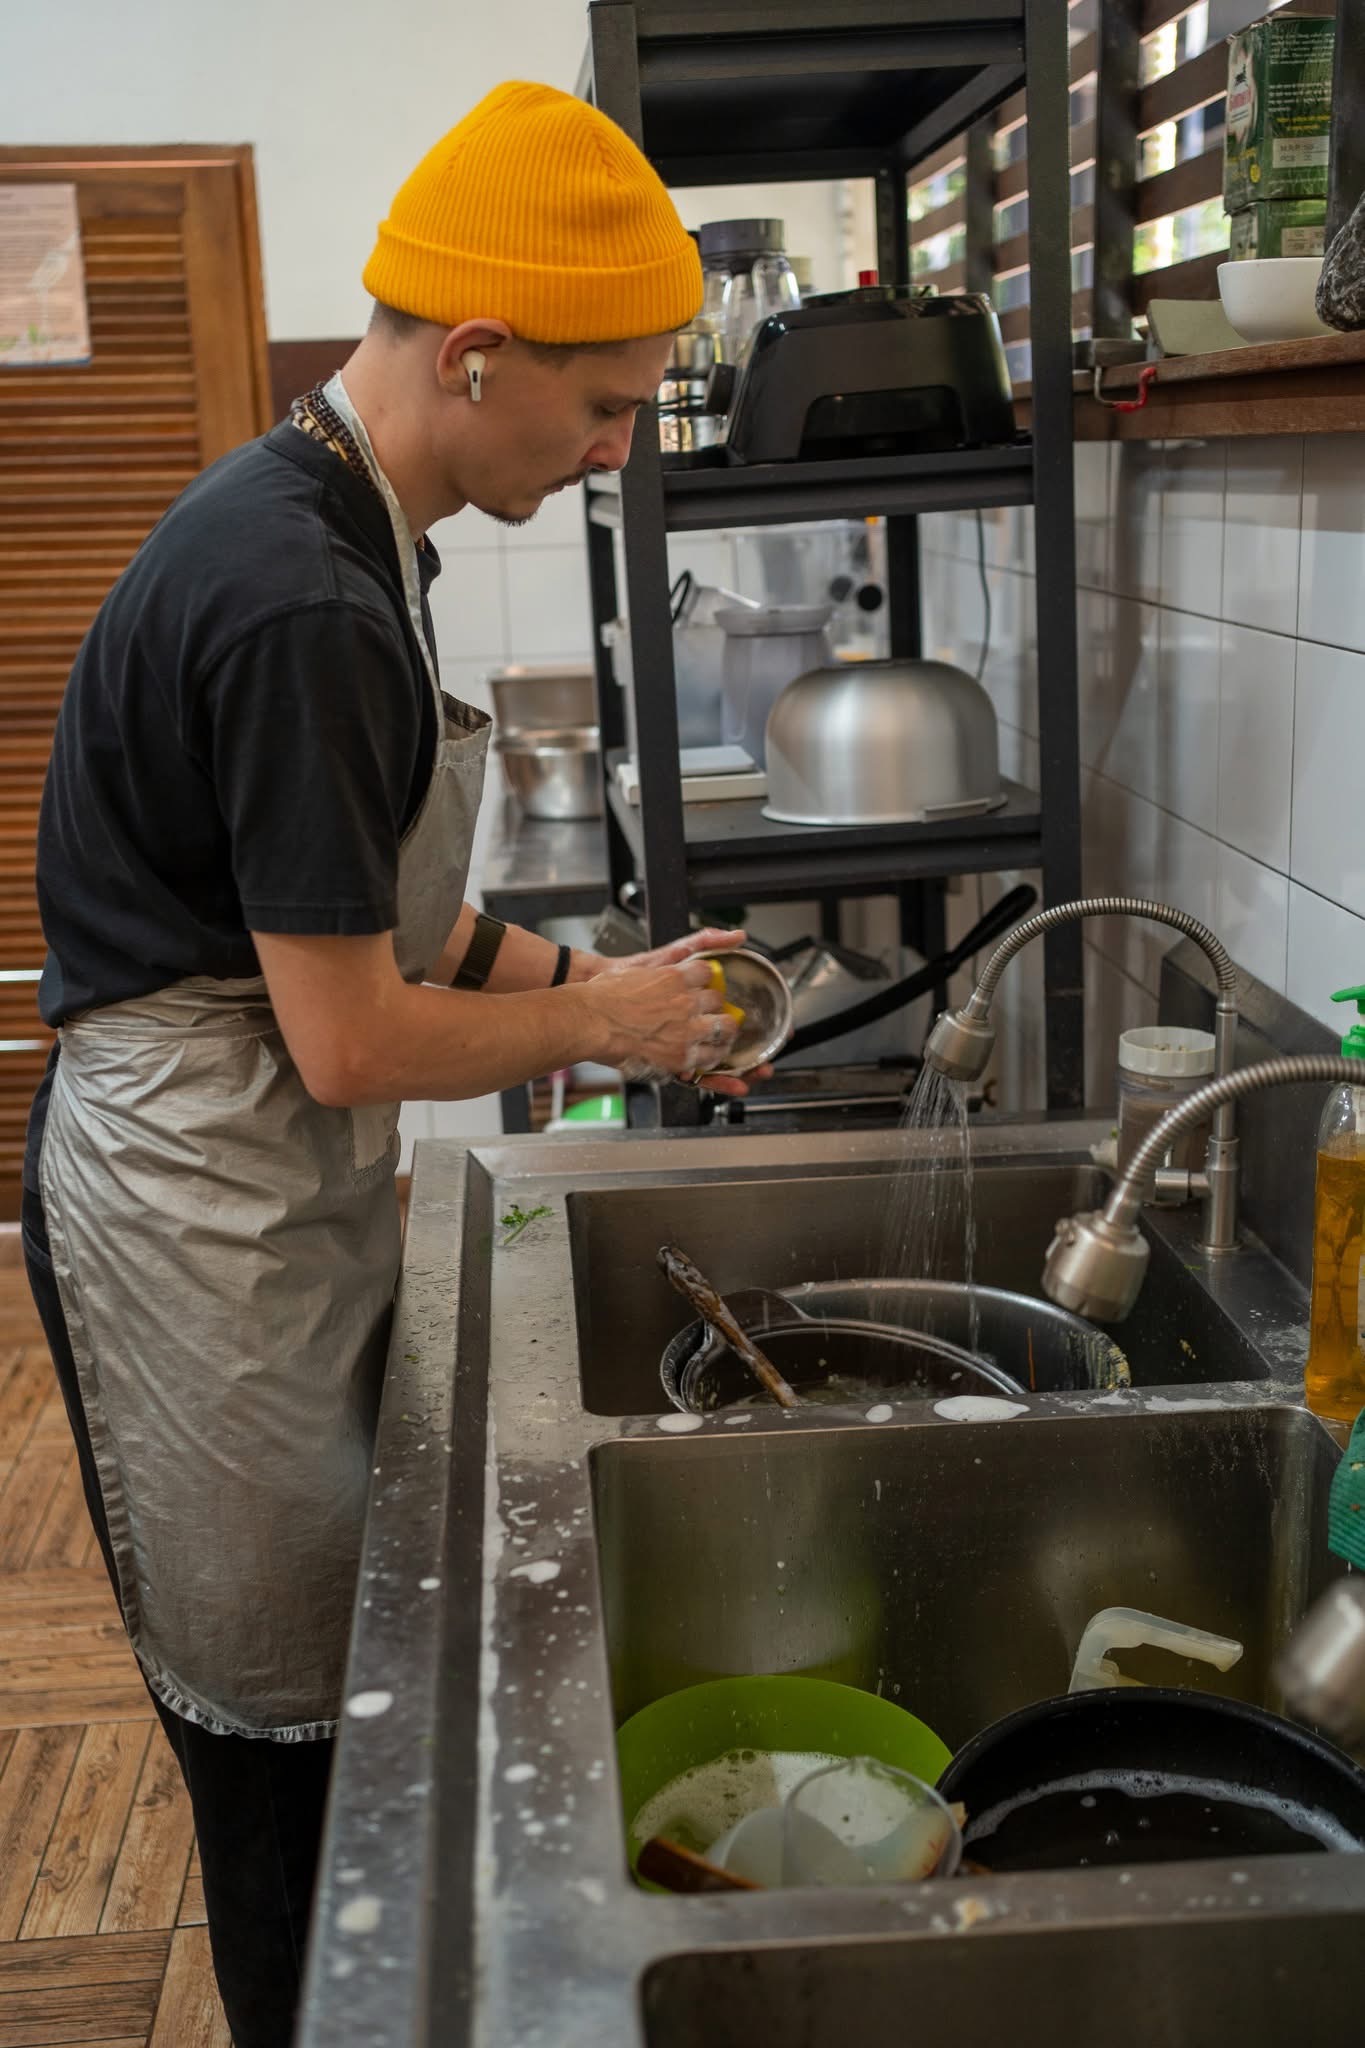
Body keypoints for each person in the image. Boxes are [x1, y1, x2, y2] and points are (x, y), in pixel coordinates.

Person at [21, 80, 754, 2047]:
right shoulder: (300, 594)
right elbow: (351, 1036)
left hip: (253, 1159)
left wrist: (600, 976)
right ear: (475, 352)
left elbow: (373, 913)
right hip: (197, 1197)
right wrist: (596, 1024)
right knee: (277, 1750)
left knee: (337, 1698)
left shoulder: (348, 522)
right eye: (601, 407)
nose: (610, 452)